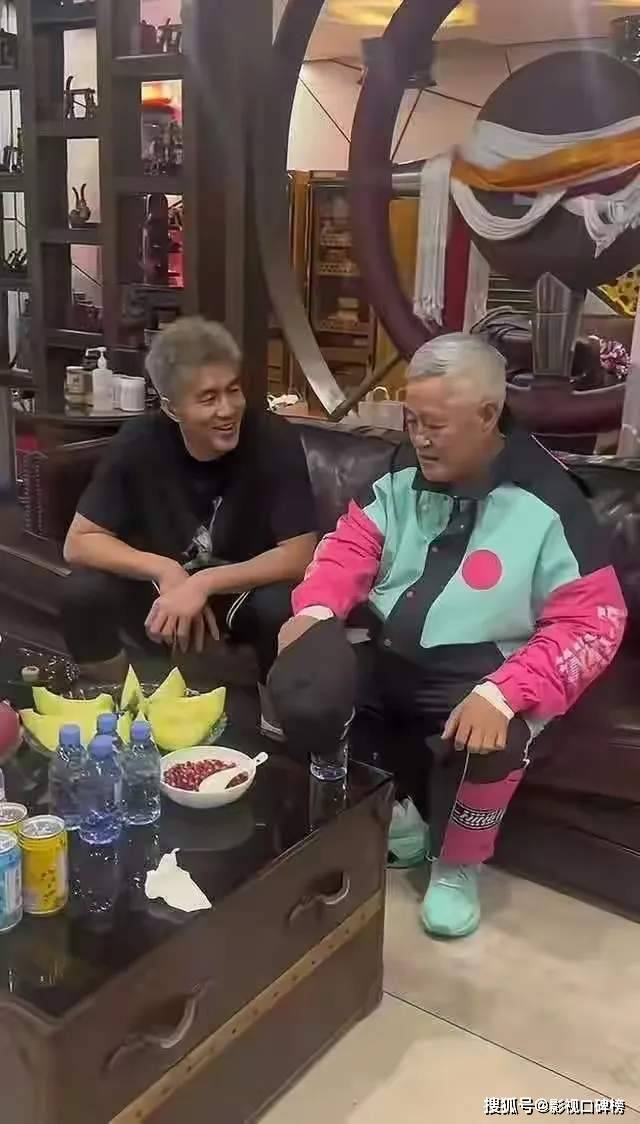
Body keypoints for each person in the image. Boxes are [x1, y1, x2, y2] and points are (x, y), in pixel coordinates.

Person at [270, 333, 627, 939]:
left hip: (482, 673)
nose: (419, 438)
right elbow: (351, 543)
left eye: (434, 425)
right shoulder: (400, 472)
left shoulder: (550, 501)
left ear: (487, 416)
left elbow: (594, 622)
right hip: (387, 650)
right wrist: (316, 610)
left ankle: (457, 866)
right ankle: (399, 818)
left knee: (495, 736)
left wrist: (505, 692)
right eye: (411, 420)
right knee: (307, 683)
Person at [62, 317, 317, 687]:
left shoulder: (274, 440)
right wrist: (166, 571)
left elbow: (299, 554)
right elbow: (80, 542)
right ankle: (117, 700)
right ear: (171, 408)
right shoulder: (139, 442)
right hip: (163, 590)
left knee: (281, 605)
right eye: (208, 398)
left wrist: (205, 583)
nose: (227, 409)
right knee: (82, 592)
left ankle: (273, 717)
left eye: (233, 390)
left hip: (241, 589)